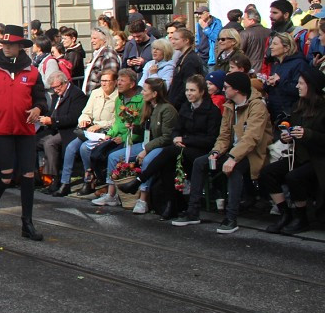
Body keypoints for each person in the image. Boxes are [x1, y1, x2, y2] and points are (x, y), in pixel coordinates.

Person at [172, 72, 271, 233]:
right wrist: (216, 151)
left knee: (234, 168)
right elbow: (224, 135)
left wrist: (232, 157)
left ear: (237, 90)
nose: (223, 90)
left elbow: (252, 137)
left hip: (252, 153)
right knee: (200, 162)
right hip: (232, 150)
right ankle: (193, 212)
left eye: (226, 87)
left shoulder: (257, 106)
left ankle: (231, 217)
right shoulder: (229, 106)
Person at [0, 25, 47, 241]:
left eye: (10, 44)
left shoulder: (32, 72)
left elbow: (41, 98)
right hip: (2, 130)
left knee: (28, 175)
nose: (6, 48)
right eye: (4, 44)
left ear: (20, 47)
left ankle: (27, 223)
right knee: (5, 176)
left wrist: (38, 109)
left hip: (25, 131)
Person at [137, 75, 222, 220]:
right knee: (166, 163)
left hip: (201, 151)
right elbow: (177, 129)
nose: (189, 93)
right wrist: (177, 138)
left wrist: (185, 140)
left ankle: (140, 179)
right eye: (187, 90)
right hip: (182, 148)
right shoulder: (185, 107)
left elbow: (210, 139)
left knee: (168, 152)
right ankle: (172, 204)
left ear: (202, 92)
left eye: (193, 90)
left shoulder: (212, 111)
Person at [92, 78, 177, 213]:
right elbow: (147, 128)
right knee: (113, 157)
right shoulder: (149, 107)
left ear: (155, 93)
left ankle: (143, 199)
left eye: (145, 90)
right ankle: (111, 195)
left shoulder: (167, 110)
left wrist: (147, 149)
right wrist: (135, 127)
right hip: (148, 143)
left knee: (148, 160)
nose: (142, 92)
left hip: (161, 146)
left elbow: (166, 137)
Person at [258, 67, 325, 235]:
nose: (297, 86)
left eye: (301, 84)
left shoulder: (323, 109)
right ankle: (285, 213)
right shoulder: (298, 106)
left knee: (294, 176)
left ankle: (301, 217)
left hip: (318, 159)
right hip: (299, 156)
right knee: (267, 172)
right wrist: (286, 137)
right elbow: (293, 130)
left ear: (312, 86)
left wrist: (308, 134)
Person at [53, 70, 118, 197]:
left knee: (84, 148)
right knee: (71, 148)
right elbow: (86, 112)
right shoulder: (95, 93)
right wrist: (84, 120)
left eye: (107, 81)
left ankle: (89, 179)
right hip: (90, 130)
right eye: (102, 81)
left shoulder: (118, 96)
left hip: (105, 131)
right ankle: (65, 183)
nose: (104, 84)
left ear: (115, 82)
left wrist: (99, 125)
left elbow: (115, 120)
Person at [36, 71, 87, 193]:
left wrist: (52, 121)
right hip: (55, 127)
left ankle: (54, 179)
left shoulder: (76, 94)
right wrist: (41, 118)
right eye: (53, 88)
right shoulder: (57, 95)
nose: (55, 90)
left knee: (50, 143)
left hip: (69, 130)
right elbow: (52, 112)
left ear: (65, 83)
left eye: (57, 87)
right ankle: (35, 178)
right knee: (32, 141)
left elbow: (73, 118)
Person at [263, 32, 309, 121]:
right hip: (274, 112)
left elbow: (299, 90)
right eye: (271, 44)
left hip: (291, 114)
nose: (270, 47)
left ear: (286, 48)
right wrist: (267, 83)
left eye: (275, 44)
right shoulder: (276, 64)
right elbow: (271, 88)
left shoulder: (299, 64)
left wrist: (279, 82)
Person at [168, 27, 204, 111]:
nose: (173, 42)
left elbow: (188, 84)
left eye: (176, 39)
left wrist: (176, 102)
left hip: (183, 106)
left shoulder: (190, 60)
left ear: (186, 40)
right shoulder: (184, 57)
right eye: (172, 39)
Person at [239, 8, 270, 72]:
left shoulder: (245, 33)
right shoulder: (269, 32)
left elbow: (239, 51)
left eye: (244, 19)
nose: (243, 21)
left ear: (251, 20)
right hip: (266, 67)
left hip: (250, 68)